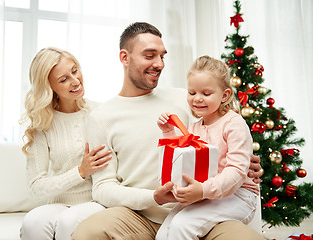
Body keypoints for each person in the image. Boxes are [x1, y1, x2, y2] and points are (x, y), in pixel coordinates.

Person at [71, 22, 264, 240]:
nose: (159, 64)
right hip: (139, 216)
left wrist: (248, 162)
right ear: (125, 57)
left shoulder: (189, 98)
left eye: (162, 56)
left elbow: (221, 139)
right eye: (149, 55)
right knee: (88, 232)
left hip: (204, 206)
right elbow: (103, 188)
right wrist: (154, 197)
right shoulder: (101, 117)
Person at [155, 55, 260, 240]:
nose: (197, 99)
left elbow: (236, 171)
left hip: (239, 196)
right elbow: (180, 155)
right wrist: (169, 132)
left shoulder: (233, 124)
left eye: (206, 93)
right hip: (207, 193)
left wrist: (203, 191)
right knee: (163, 234)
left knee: (181, 226)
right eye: (192, 93)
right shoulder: (195, 127)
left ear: (225, 95)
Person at [19, 47, 111, 240]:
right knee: (32, 222)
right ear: (49, 87)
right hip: (59, 203)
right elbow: (36, 186)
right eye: (63, 79)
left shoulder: (100, 113)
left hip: (95, 201)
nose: (76, 81)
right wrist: (80, 172)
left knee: (68, 221)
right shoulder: (41, 123)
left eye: (75, 70)